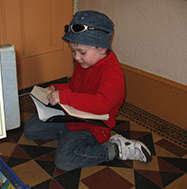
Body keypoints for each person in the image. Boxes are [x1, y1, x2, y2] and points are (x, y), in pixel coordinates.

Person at [24, 10, 151, 171]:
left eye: (82, 52)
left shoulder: (112, 73)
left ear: (102, 49)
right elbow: (74, 87)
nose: (76, 57)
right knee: (30, 129)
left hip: (93, 127)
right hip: (71, 117)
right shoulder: (85, 62)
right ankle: (69, 139)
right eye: (73, 51)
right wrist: (57, 88)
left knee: (64, 161)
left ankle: (115, 149)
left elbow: (102, 104)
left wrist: (65, 97)